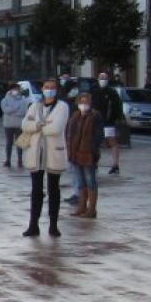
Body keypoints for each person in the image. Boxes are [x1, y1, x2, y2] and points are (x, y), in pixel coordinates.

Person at [18, 80, 68, 238]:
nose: (49, 90)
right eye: (47, 87)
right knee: (36, 190)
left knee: (53, 189)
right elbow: (24, 125)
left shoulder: (62, 107)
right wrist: (38, 125)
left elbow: (56, 128)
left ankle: (53, 225)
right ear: (42, 89)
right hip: (36, 153)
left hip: (53, 152)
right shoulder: (35, 105)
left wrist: (38, 126)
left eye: (52, 87)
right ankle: (33, 225)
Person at [65, 91, 104, 219]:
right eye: (82, 102)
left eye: (86, 102)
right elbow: (70, 133)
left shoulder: (95, 116)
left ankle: (92, 209)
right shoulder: (75, 116)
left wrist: (93, 150)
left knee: (90, 181)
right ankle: (82, 206)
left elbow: (99, 136)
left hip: (88, 155)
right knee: (80, 182)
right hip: (75, 153)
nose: (84, 104)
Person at [94, 72, 128, 177]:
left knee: (112, 142)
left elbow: (118, 106)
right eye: (101, 77)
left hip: (109, 121)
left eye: (105, 77)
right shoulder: (94, 91)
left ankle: (115, 165)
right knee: (95, 144)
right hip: (96, 121)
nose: (103, 79)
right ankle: (94, 164)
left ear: (108, 79)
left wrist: (119, 118)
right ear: (98, 79)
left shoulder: (112, 92)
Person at [0, 82, 29, 171]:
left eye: (18, 89)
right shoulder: (5, 100)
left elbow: (24, 111)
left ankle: (20, 160)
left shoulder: (23, 99)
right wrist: (16, 108)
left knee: (19, 143)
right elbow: (6, 110)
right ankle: (8, 160)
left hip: (19, 125)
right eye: (15, 89)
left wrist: (13, 110)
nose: (17, 90)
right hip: (8, 125)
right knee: (9, 143)